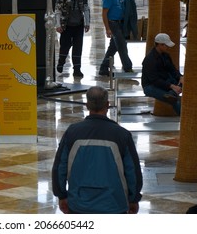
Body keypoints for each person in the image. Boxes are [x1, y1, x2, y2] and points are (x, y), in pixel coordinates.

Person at [52, 86, 143, 214]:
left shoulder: (72, 132)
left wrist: (61, 195)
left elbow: (59, 167)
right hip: (114, 205)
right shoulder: (122, 135)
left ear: (86, 105)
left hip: (79, 205)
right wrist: (133, 199)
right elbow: (132, 171)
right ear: (108, 104)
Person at [55, 0, 90, 78]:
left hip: (78, 25)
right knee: (64, 47)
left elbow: (86, 9)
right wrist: (58, 25)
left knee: (78, 48)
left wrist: (87, 23)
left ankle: (77, 69)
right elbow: (58, 10)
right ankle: (61, 62)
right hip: (66, 26)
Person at [99, 0, 133, 76]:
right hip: (112, 23)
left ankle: (103, 68)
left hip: (120, 23)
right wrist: (107, 29)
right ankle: (128, 67)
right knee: (122, 45)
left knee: (113, 47)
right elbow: (104, 13)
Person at [141, 33, 183, 116]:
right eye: (166, 45)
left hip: (165, 81)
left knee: (182, 85)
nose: (168, 47)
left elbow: (173, 70)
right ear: (159, 45)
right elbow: (154, 80)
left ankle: (172, 93)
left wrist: (181, 77)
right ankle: (185, 117)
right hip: (150, 86)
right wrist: (172, 86)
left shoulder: (166, 56)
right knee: (173, 100)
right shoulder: (150, 60)